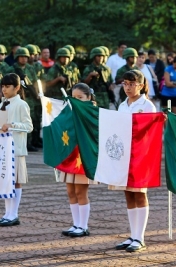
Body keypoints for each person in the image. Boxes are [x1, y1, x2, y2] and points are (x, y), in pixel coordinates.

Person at [113, 70, 156, 252]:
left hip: (141, 155)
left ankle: (140, 237)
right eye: (125, 84)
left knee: (139, 193)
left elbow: (151, 132)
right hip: (124, 155)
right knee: (128, 194)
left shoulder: (147, 106)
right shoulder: (122, 105)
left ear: (140, 85)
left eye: (132, 84)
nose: (128, 87)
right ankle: (132, 234)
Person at [0, 73, 33, 226]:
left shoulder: (21, 104)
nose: (4, 89)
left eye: (7, 86)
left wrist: (13, 125)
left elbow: (29, 126)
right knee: (6, 181)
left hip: (15, 149)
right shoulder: (3, 102)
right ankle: (7, 213)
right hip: (2, 149)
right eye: (2, 86)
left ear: (17, 87)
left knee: (16, 182)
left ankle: (13, 214)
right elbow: (1, 122)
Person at [60, 83, 98, 238]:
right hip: (70, 156)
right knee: (70, 191)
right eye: (74, 97)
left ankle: (83, 226)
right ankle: (75, 224)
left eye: (80, 98)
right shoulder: (69, 111)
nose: (76, 100)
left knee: (80, 191)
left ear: (88, 97)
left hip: (83, 157)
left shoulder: (92, 112)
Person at [6, 47, 40, 152]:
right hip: (18, 97)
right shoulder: (11, 69)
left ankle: (29, 143)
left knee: (30, 120)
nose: (24, 59)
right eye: (21, 57)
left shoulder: (30, 68)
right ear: (17, 57)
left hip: (30, 98)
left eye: (25, 57)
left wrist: (37, 92)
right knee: (17, 119)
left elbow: (34, 81)